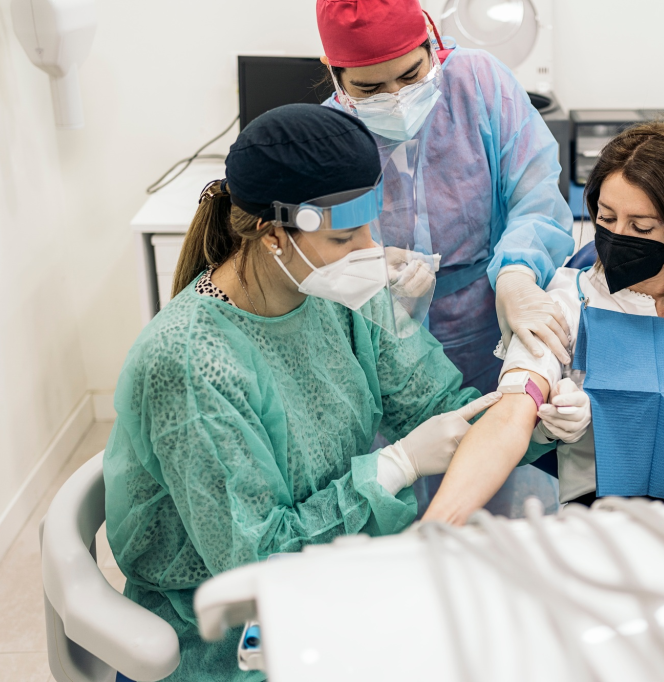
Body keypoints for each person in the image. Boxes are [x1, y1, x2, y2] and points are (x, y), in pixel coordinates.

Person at [103, 104, 505, 681]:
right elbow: (252, 562)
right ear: (272, 238)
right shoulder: (192, 363)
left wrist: (536, 409)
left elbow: (436, 403)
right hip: (226, 638)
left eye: (371, 227)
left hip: (338, 582)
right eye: (345, 236)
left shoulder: (339, 295)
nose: (369, 251)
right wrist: (394, 465)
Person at [423, 122, 664, 544]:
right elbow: (511, 411)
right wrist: (546, 426)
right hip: (600, 530)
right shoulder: (565, 300)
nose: (618, 237)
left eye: (641, 228)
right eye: (606, 217)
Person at [316, 0, 575, 515]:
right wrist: (370, 270)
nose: (395, 98)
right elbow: (319, 252)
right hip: (383, 342)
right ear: (336, 76)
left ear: (432, 41)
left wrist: (518, 276)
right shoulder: (327, 135)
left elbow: (537, 192)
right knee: (393, 496)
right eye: (369, 88)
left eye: (411, 75)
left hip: (486, 324)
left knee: (497, 488)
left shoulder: (480, 83)